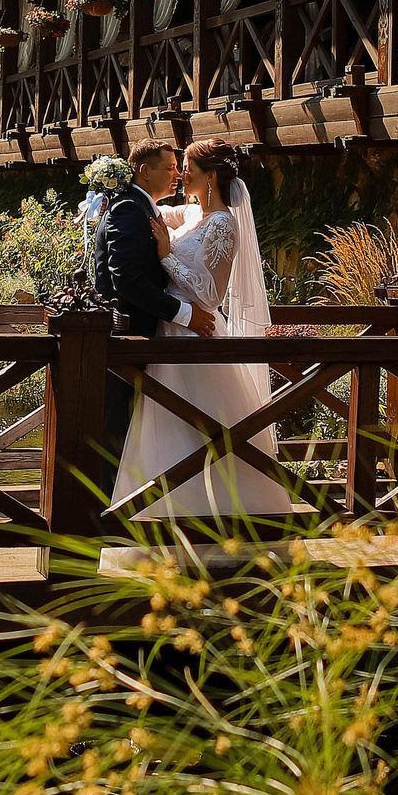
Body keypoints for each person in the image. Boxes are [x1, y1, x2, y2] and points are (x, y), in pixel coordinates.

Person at [110, 138, 294, 520]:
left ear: (209, 176)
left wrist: (167, 257)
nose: (181, 173)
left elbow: (211, 295)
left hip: (195, 336)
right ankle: (158, 518)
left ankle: (212, 517)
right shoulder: (193, 214)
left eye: (188, 167)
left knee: (200, 428)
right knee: (165, 430)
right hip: (169, 333)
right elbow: (151, 208)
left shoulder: (224, 224)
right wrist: (114, 187)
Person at [88, 142, 216, 458]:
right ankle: (109, 492)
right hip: (125, 339)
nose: (177, 175)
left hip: (140, 340)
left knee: (133, 432)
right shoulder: (129, 208)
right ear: (145, 171)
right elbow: (126, 280)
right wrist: (185, 314)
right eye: (170, 168)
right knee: (117, 431)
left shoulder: (141, 206)